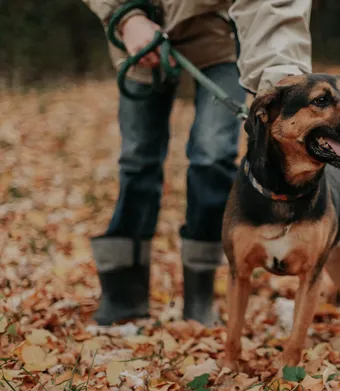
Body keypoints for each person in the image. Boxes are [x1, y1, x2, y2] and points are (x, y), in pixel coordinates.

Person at [81, 0, 312, 326]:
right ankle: (124, 296)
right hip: (135, 34)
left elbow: (274, 6)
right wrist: (126, 17)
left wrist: (284, 75)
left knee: (213, 155)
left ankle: (200, 295)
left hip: (215, 37)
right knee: (137, 159)